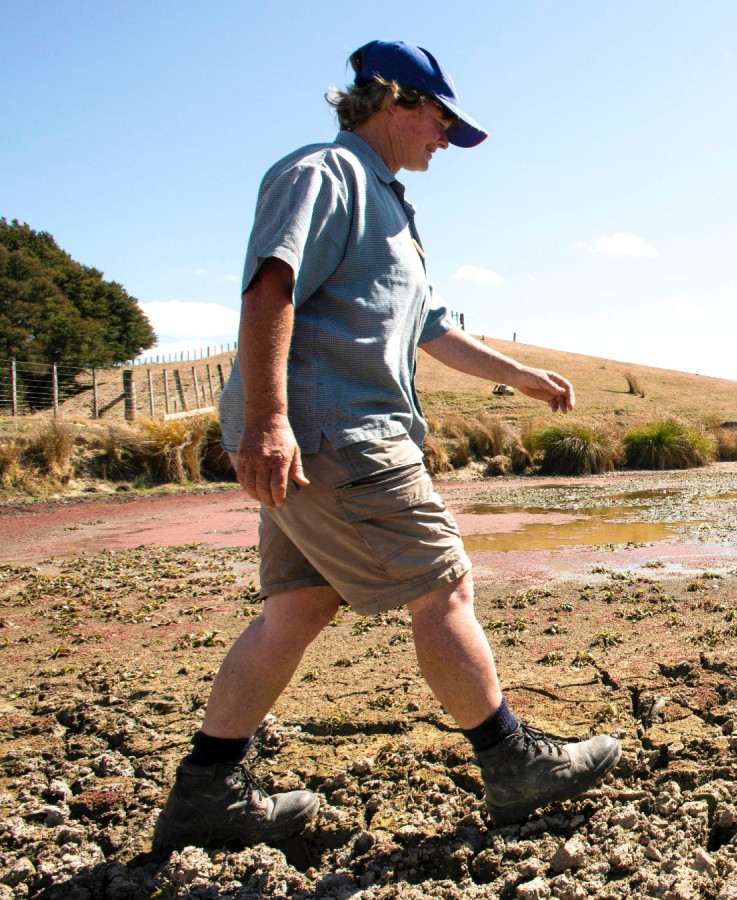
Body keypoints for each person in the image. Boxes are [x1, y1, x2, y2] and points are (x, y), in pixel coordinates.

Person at [153, 40, 620, 850]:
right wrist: (267, 418)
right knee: (442, 581)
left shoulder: (392, 206)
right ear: (396, 100)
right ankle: (512, 762)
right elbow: (271, 285)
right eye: (443, 120)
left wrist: (525, 378)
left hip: (320, 442)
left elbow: (434, 328)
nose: (447, 139)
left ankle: (208, 790)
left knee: (296, 606)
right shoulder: (324, 175)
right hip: (338, 433)